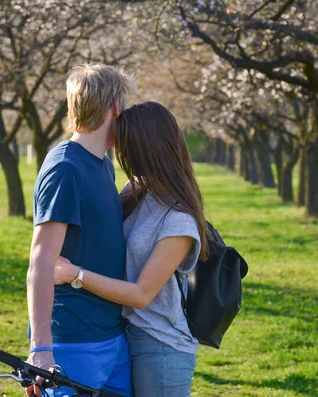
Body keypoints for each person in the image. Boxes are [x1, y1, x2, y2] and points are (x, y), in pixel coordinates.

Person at [54, 101, 209, 397]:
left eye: (124, 144)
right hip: (123, 337)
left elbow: (140, 294)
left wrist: (75, 274)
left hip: (160, 347)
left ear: (145, 148)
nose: (119, 151)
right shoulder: (137, 191)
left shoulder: (180, 221)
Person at [26, 63, 133, 397]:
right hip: (72, 341)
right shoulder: (65, 168)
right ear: (115, 106)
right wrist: (41, 348)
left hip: (113, 338)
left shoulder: (102, 164)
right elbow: (41, 261)